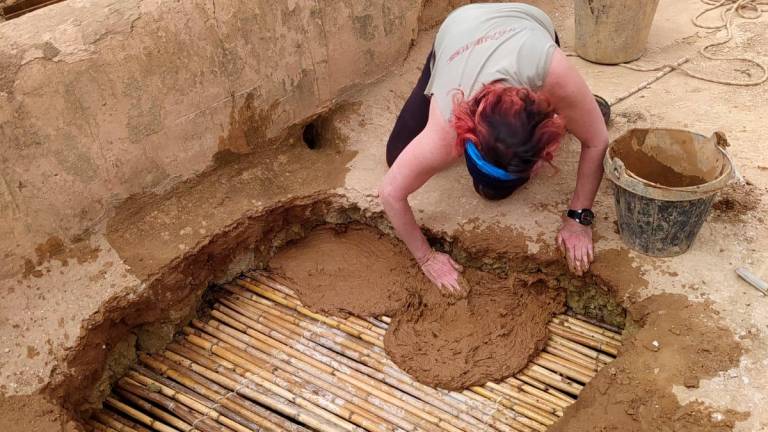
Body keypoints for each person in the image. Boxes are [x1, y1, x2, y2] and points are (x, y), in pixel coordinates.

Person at [378, 3, 610, 295]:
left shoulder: (552, 75)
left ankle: (578, 112)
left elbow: (597, 141)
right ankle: (577, 113)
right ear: (466, 139)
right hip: (461, 30)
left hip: (527, 25)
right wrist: (426, 258)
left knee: (495, 191)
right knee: (396, 156)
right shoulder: (445, 130)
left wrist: (579, 218)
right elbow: (389, 193)